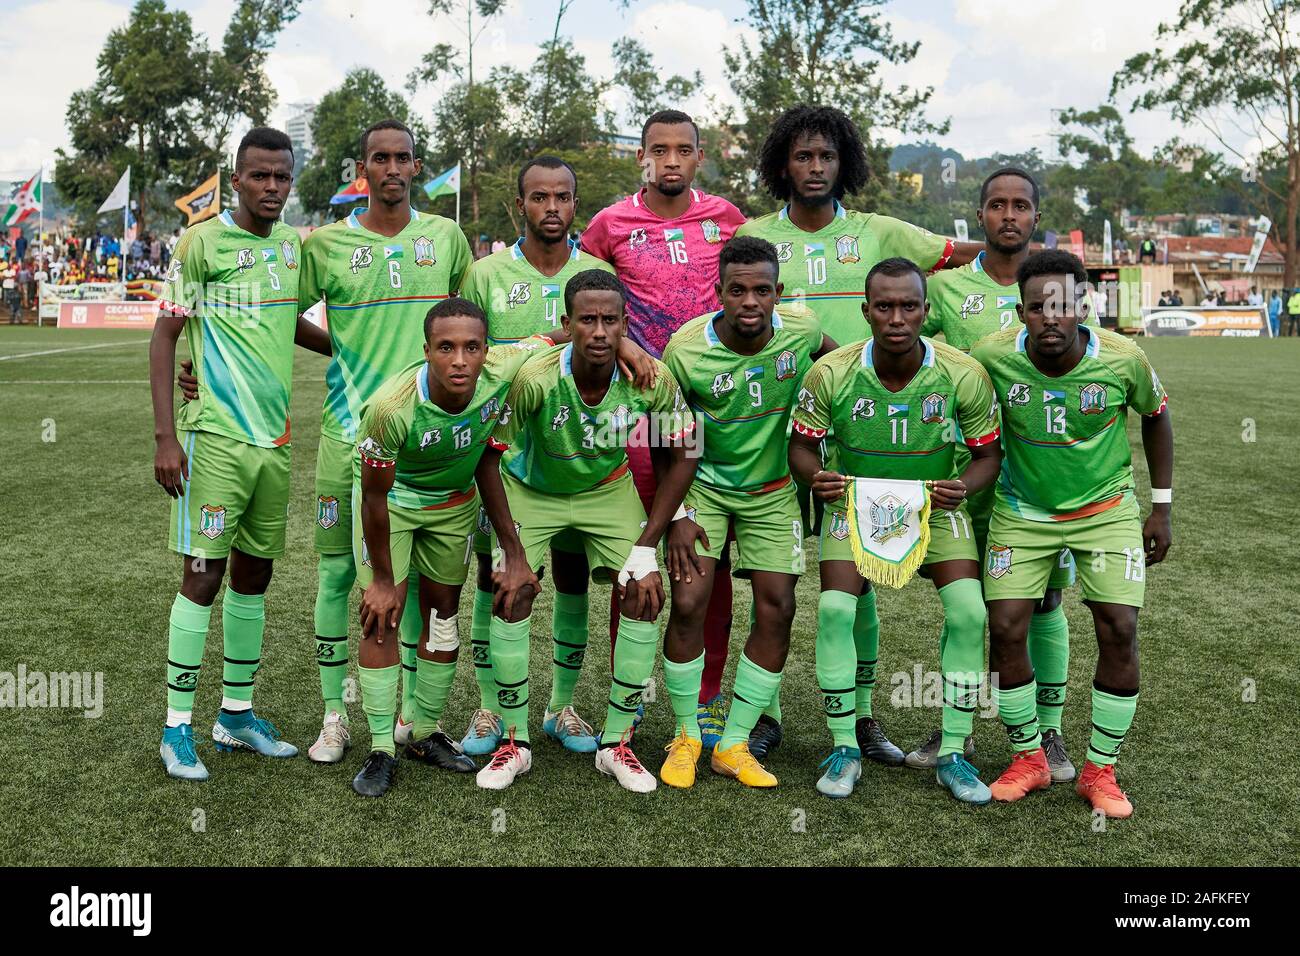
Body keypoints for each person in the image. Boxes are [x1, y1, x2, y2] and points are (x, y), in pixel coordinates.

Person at [737, 105, 982, 760]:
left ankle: (864, 719)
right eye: (802, 156)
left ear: (846, 163)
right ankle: (765, 715)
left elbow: (968, 258)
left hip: (866, 432)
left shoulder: (878, 231)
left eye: (826, 156)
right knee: (777, 585)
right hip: (775, 433)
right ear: (780, 165)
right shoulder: (754, 232)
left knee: (859, 574)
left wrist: (1028, 261)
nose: (815, 168)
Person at [150, 127, 331, 782]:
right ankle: (176, 728)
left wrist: (343, 349)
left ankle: (235, 715)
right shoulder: (203, 242)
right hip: (216, 440)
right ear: (237, 176)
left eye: (282, 177)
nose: (273, 188)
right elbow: (166, 334)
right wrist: (166, 436)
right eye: (260, 176)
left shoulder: (291, 245)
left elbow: (288, 320)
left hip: (274, 442)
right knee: (204, 573)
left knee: (255, 575)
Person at [474, 269, 697, 792]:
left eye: (611, 321)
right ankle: (515, 739)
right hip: (531, 489)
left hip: (606, 489)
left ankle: (615, 743)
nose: (599, 331)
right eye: (588, 320)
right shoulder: (536, 378)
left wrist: (648, 544)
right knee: (511, 591)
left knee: (645, 590)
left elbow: (686, 451)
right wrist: (511, 550)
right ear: (566, 322)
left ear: (625, 324)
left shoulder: (652, 378)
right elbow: (489, 457)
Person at [791, 258, 1002, 802]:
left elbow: (987, 455)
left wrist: (967, 485)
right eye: (884, 307)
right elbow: (801, 445)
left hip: (934, 506)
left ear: (926, 311)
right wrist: (816, 476)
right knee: (837, 608)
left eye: (909, 305)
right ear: (866, 311)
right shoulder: (831, 372)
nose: (896, 317)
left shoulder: (962, 373)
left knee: (971, 612)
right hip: (856, 507)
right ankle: (844, 746)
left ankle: (953, 751)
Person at [297, 119, 474, 763]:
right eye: (380, 158)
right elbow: (281, 316)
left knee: (421, 581)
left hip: (426, 443)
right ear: (363, 168)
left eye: (403, 158)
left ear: (416, 165)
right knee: (342, 573)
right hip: (347, 437)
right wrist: (338, 344)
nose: (392, 168)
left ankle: (407, 719)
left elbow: (473, 321)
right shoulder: (325, 247)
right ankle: (333, 715)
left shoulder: (446, 238)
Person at [972, 250, 1172, 819]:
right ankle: (1029, 758)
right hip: (1022, 509)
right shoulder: (992, 359)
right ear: (1022, 311)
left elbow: (1157, 414)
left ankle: (1100, 771)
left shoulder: (1122, 357)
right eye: (1037, 308)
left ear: (1083, 305)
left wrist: (1161, 508)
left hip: (1105, 510)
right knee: (1006, 624)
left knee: (1118, 626)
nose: (1051, 319)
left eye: (1062, 306)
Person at [459, 156, 642, 757]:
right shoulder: (487, 274)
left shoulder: (596, 269)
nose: (553, 208)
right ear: (522, 204)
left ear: (575, 202)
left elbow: (612, 329)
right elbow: (471, 354)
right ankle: (491, 710)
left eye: (563, 196)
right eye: (540, 197)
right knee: (500, 583)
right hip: (510, 463)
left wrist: (635, 349)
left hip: (582, 461)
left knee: (570, 582)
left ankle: (562, 706)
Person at [581, 109, 746, 750]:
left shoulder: (726, 218)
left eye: (683, 150)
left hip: (711, 409)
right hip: (636, 409)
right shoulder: (609, 224)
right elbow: (587, 296)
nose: (670, 161)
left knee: (709, 554)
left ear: (699, 158)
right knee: (639, 550)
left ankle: (704, 696)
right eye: (658, 150)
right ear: (641, 159)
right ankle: (634, 691)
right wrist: (620, 343)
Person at [346, 299, 552, 796]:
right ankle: (379, 748)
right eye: (445, 348)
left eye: (471, 347)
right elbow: (374, 496)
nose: (459, 360)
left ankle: (425, 733)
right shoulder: (391, 408)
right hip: (391, 505)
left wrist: (630, 345)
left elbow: (559, 337)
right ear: (426, 351)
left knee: (443, 618)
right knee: (384, 614)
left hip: (453, 504)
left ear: (487, 350)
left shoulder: (505, 368)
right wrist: (380, 580)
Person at [916, 168, 1078, 780]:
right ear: (979, 214)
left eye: (1021, 206)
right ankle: (954, 727)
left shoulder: (1056, 286)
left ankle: (1049, 733)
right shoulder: (950, 288)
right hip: (967, 473)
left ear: (1037, 215)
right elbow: (917, 358)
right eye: (996, 205)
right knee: (968, 607)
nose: (1009, 215)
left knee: (1041, 603)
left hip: (1041, 477)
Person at [658, 236, 836, 789]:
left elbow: (842, 365)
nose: (751, 301)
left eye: (763, 290)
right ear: (719, 293)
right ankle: (686, 734)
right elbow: (664, 436)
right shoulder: (685, 349)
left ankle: (733, 742)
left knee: (778, 608)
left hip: (774, 490)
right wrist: (680, 511)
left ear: (779, 293)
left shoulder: (801, 331)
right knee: (689, 601)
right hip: (705, 490)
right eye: (738, 290)